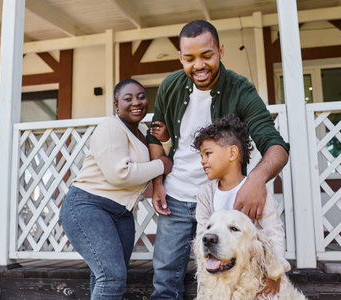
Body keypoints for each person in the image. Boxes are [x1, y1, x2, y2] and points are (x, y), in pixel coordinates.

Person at [146, 20, 290, 299]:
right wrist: (158, 183)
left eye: (207, 55)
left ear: (221, 50)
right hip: (175, 196)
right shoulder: (170, 86)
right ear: (180, 57)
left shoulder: (240, 90)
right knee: (164, 278)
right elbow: (155, 137)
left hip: (223, 204)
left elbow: (276, 146)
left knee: (228, 278)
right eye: (189, 58)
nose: (198, 65)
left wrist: (256, 180)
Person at [59, 78, 172, 300]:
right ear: (116, 105)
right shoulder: (110, 126)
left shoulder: (141, 130)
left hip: (121, 213)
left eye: (141, 96)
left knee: (104, 276)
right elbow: (120, 174)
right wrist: (162, 165)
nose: (136, 102)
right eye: (127, 98)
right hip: (89, 206)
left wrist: (165, 142)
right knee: (111, 277)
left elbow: (153, 162)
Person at [193, 115, 291, 296]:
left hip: (251, 277)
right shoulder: (205, 194)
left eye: (208, 153)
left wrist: (275, 272)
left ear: (232, 153)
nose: (202, 160)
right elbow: (202, 234)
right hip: (217, 279)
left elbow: (273, 232)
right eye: (201, 155)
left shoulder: (257, 190)